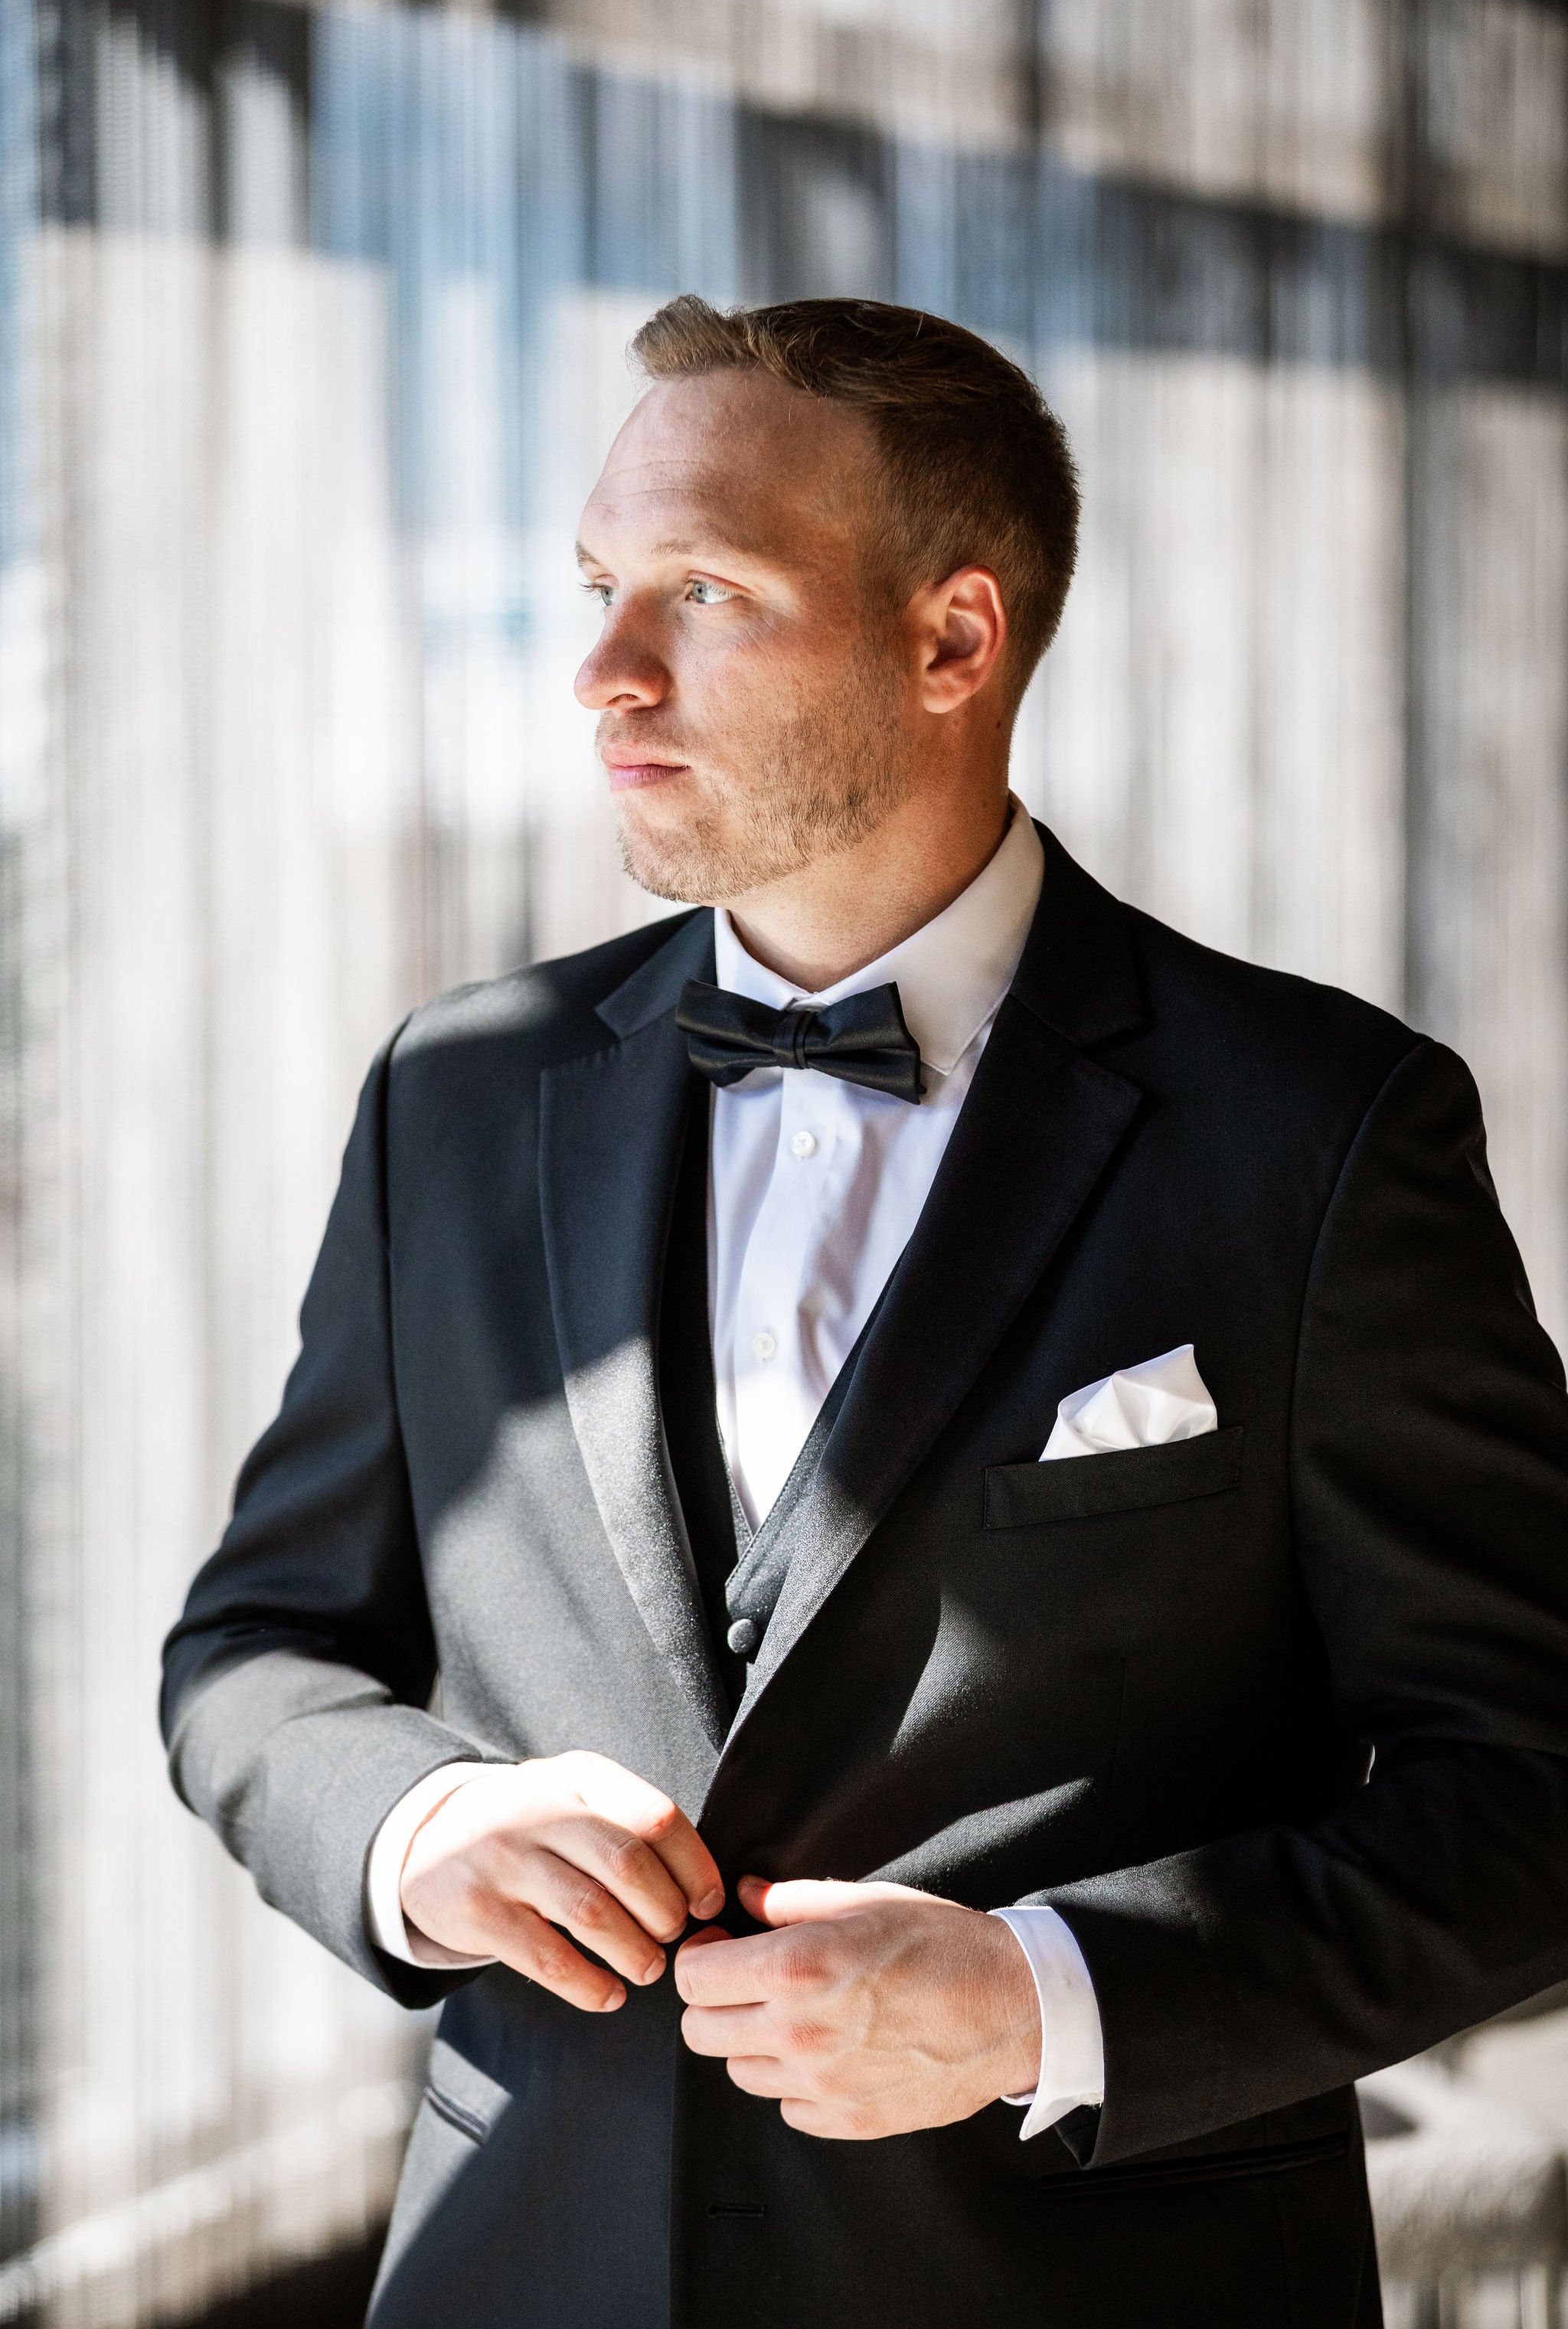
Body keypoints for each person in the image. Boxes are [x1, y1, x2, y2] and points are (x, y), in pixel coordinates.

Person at [161, 296, 1568, 2329]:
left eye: (705, 592)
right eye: (600, 587)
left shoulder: (1321, 1131)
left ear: (954, 639)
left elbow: (1529, 1789)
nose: (604, 670)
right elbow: (257, 1652)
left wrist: (1045, 1998)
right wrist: (419, 1827)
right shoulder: (452, 1097)